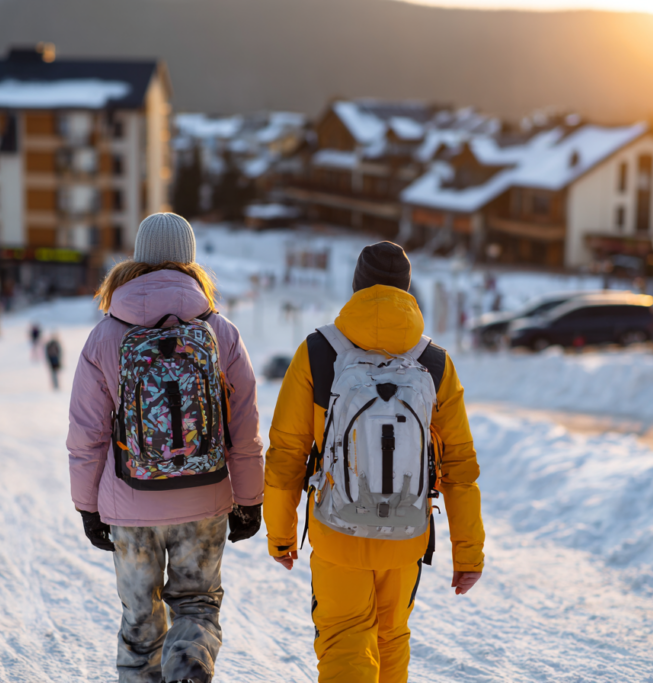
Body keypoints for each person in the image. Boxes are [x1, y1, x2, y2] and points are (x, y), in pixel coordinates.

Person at [264, 241, 485, 683]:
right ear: (407, 289)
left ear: (356, 287)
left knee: (344, 640)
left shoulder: (318, 352)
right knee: (391, 639)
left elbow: (287, 451)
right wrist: (468, 552)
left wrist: (281, 533)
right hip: (406, 532)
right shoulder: (435, 363)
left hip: (334, 530)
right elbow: (458, 464)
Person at [66, 212, 264, 683]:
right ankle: (188, 666)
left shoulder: (105, 335)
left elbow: (86, 435)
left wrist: (88, 507)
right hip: (205, 497)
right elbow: (245, 427)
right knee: (196, 606)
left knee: (139, 620)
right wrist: (251, 500)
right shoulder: (222, 332)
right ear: (190, 262)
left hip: (131, 506)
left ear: (138, 260)